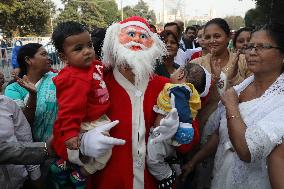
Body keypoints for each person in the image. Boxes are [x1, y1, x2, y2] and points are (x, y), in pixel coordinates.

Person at [77, 16, 195, 189]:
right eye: (130, 34)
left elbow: (190, 141)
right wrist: (83, 143)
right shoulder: (95, 83)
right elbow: (63, 131)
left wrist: (175, 134)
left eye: (142, 36)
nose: (136, 41)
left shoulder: (165, 86)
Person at [183, 23, 284, 189]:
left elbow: (247, 151)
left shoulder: (280, 100)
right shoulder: (242, 87)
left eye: (261, 47)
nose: (251, 52)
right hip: (222, 175)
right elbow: (220, 134)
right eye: (250, 46)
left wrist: (231, 106)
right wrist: (194, 161)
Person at [50, 21, 125, 189]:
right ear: (63, 56)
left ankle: (64, 164)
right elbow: (68, 110)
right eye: (78, 48)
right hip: (87, 121)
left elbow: (102, 68)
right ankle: (81, 174)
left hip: (95, 117)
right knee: (105, 152)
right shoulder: (72, 78)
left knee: (86, 149)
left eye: (89, 45)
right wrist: (70, 134)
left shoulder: (92, 65)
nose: (87, 51)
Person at [147, 63, 211, 188]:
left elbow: (182, 110)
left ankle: (166, 175)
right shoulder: (181, 89)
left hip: (162, 136)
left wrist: (185, 127)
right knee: (164, 153)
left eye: (176, 71)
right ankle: (173, 162)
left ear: (181, 74)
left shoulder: (179, 89)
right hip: (164, 136)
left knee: (153, 160)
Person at [4, 43, 57, 142]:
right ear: (28, 60)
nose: (49, 58)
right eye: (43, 54)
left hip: (62, 143)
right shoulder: (14, 89)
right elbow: (22, 124)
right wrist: (33, 95)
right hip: (31, 148)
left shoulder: (57, 79)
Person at [0, 94, 41, 189]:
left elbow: (25, 140)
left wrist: (36, 177)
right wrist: (46, 149)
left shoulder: (6, 103)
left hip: (21, 181)